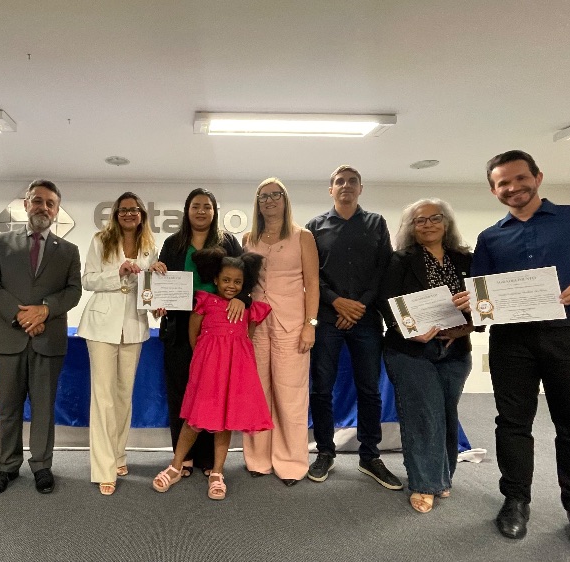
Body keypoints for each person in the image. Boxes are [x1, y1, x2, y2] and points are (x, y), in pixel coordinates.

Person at [473, 150, 570, 554]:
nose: (513, 188)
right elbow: (482, 290)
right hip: (512, 342)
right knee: (512, 424)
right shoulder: (490, 238)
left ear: (538, 177)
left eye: (520, 178)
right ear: (493, 190)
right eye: (503, 183)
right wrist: (471, 304)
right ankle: (515, 501)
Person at [0, 179, 81, 496]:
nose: (43, 207)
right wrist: (20, 315)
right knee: (9, 408)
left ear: (57, 210)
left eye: (51, 203)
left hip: (48, 340)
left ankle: (41, 466)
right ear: (26, 204)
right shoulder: (0, 243)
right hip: (8, 336)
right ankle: (7, 467)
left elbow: (73, 291)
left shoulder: (68, 251)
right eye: (38, 201)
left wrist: (45, 310)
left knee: (43, 408)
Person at [305, 165, 402, 489]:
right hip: (328, 318)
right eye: (339, 181)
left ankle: (370, 455)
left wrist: (359, 305)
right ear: (330, 189)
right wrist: (337, 302)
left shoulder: (376, 223)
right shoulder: (314, 227)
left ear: (360, 188)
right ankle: (325, 452)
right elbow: (310, 275)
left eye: (352, 181)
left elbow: (383, 270)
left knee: (369, 389)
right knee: (321, 388)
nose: (345, 185)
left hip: (366, 318)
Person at [151, 248, 272, 500]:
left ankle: (217, 472)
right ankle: (176, 465)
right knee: (194, 419)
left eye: (237, 282)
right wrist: (204, 360)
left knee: (225, 421)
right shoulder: (205, 301)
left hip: (234, 370)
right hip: (207, 369)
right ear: (216, 279)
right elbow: (193, 335)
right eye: (226, 280)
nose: (231, 285)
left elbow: (246, 338)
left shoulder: (248, 308)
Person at [380, 199, 476, 513]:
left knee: (446, 413)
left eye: (435, 218)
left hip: (455, 349)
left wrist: (466, 328)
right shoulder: (399, 260)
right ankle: (424, 483)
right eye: (420, 220)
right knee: (423, 414)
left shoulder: (466, 259)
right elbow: (386, 301)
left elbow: (483, 302)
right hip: (411, 350)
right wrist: (408, 331)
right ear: (411, 227)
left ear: (446, 222)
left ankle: (441, 477)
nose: (428, 224)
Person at [77, 191, 166, 495]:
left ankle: (118, 456)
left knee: (123, 396)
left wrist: (158, 301)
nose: (129, 214)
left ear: (142, 214)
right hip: (101, 324)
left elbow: (148, 290)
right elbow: (88, 280)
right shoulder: (100, 240)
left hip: (134, 325)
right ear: (116, 214)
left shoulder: (150, 246)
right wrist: (118, 273)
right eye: (123, 210)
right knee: (103, 397)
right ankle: (104, 469)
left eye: (134, 210)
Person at [155, 188, 248, 479]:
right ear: (187, 210)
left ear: (214, 211)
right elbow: (160, 281)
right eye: (195, 206)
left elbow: (244, 276)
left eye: (206, 206)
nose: (201, 211)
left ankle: (209, 458)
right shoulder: (172, 243)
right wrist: (157, 291)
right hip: (178, 324)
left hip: (217, 327)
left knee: (212, 392)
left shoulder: (228, 241)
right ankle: (183, 457)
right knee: (181, 390)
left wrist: (241, 299)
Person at [241, 178, 319, 486]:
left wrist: (310, 325)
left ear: (285, 200)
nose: (270, 200)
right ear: (257, 203)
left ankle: (290, 463)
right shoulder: (249, 238)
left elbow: (312, 283)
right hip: (256, 325)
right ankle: (258, 458)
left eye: (276, 195)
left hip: (292, 325)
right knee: (257, 393)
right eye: (264, 196)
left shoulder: (303, 236)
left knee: (290, 395)